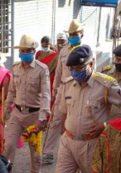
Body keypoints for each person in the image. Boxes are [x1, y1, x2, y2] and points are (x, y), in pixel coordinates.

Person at [42, 46, 121, 173]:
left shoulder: (106, 85)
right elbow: (61, 113)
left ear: (92, 64)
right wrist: (63, 135)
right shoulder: (67, 85)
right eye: (72, 68)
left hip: (92, 145)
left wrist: (107, 126)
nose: (75, 71)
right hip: (68, 143)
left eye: (80, 67)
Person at [3, 35, 51, 173]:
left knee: (34, 149)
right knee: (8, 145)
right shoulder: (15, 68)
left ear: (33, 51)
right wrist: (6, 110)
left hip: (34, 115)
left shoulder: (42, 70)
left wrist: (42, 117)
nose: (24, 53)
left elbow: (45, 94)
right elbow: (11, 91)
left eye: (27, 51)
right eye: (21, 50)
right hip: (17, 113)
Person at [44, 20, 84, 165]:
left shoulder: (86, 50)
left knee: (74, 121)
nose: (72, 36)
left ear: (81, 34)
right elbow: (59, 72)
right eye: (71, 34)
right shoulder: (63, 50)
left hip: (80, 89)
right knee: (55, 121)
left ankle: (72, 152)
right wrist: (54, 90)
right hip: (62, 89)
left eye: (75, 34)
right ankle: (48, 152)